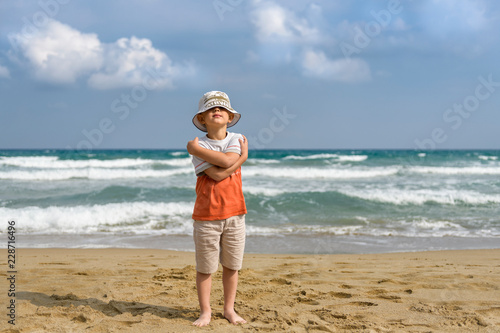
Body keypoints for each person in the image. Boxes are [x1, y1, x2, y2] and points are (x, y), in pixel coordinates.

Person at [186, 91, 248, 327]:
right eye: (212, 109)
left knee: (232, 265)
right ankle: (205, 311)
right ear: (202, 119)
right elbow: (221, 171)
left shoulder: (236, 138)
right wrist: (242, 158)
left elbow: (226, 162)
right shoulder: (199, 143)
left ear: (230, 117)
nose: (217, 111)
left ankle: (229, 309)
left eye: (222, 108)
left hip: (235, 213)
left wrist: (238, 157)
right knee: (205, 267)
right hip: (206, 216)